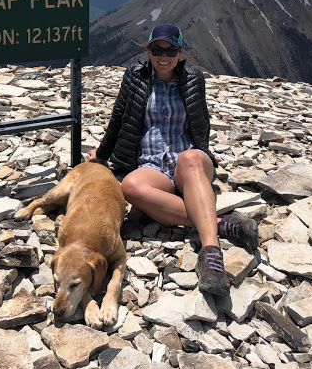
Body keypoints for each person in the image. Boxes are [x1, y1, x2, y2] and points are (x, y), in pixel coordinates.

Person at [88, 23, 258, 296]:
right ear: (149, 50)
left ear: (180, 52)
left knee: (190, 159)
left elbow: (201, 122)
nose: (163, 56)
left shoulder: (193, 78)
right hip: (152, 163)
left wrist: (204, 155)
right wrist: (102, 154)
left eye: (171, 50)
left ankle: (211, 254)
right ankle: (222, 225)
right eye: (157, 49)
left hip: (189, 159)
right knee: (130, 186)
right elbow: (119, 118)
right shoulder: (134, 76)